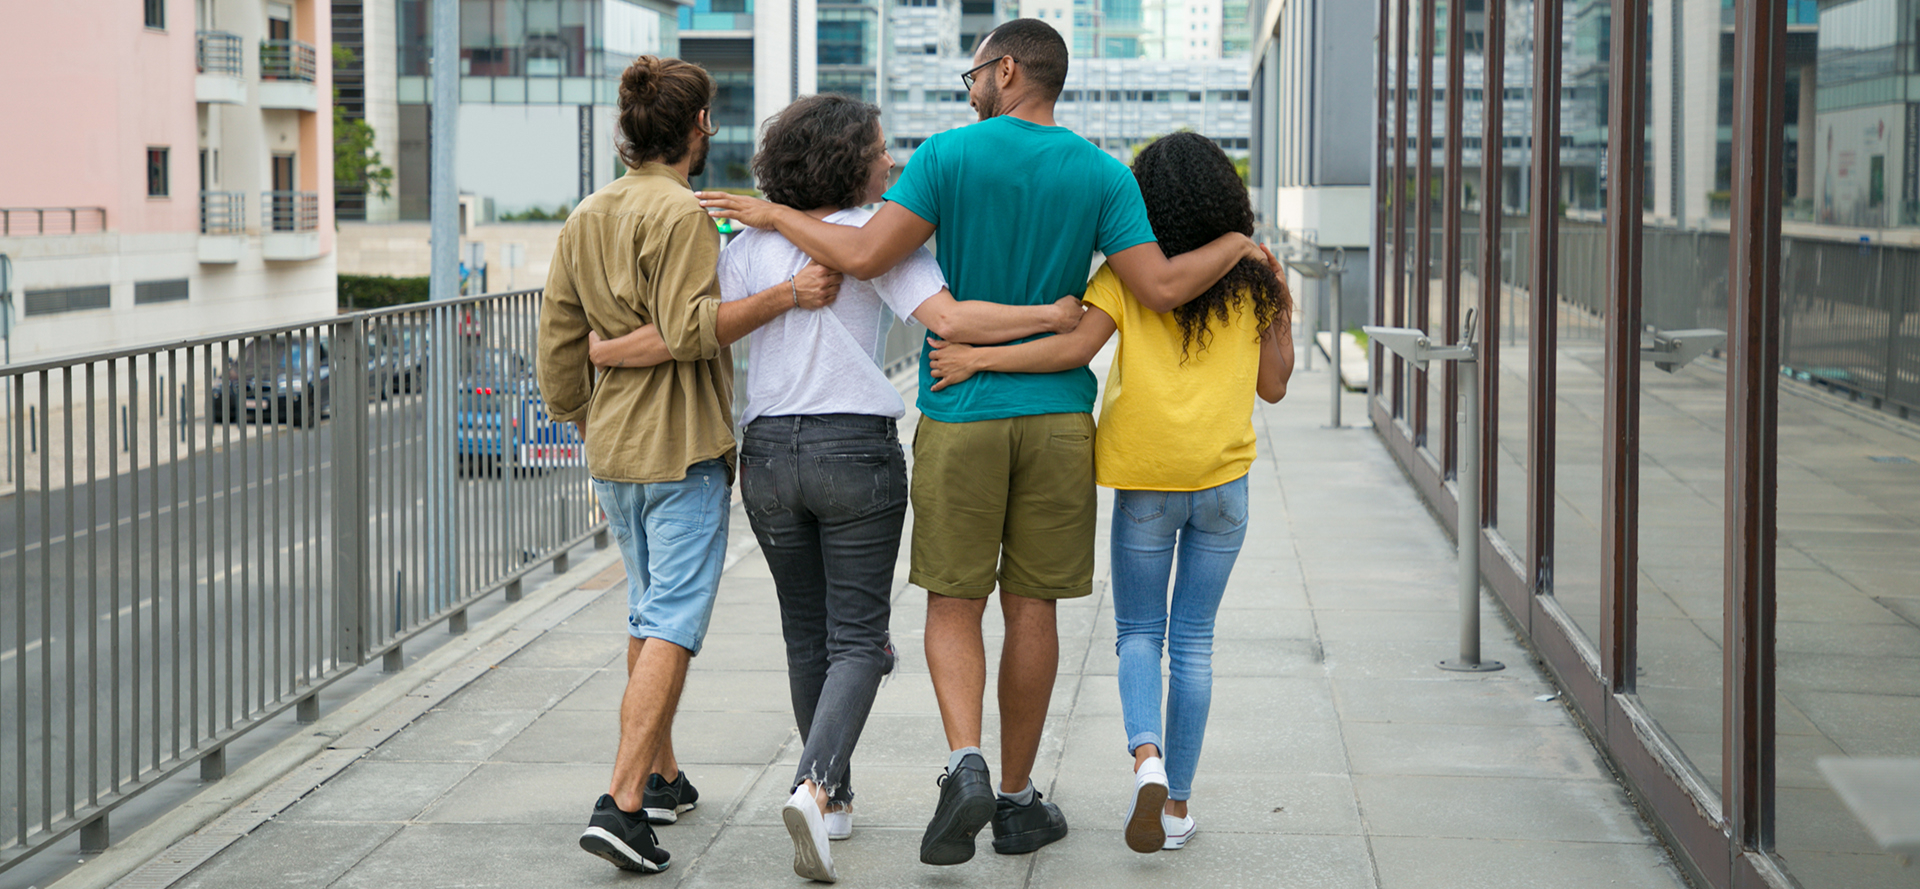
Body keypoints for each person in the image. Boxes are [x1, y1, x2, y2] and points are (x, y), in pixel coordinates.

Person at [697, 19, 1267, 867]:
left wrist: (772, 211)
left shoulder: (944, 159)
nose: (968, 88)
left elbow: (860, 252)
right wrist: (1236, 240)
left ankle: (964, 758)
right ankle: (1013, 795)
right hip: (1057, 421)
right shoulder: (1104, 175)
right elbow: (1158, 285)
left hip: (960, 410)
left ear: (1007, 69)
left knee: (953, 602)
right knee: (1033, 606)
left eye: (973, 74)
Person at [583, 93, 1084, 883]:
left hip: (770, 455)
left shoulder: (746, 239)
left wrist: (607, 349)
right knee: (860, 639)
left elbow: (697, 325)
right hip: (855, 452)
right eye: (880, 148)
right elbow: (950, 323)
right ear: (850, 159)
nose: (890, 161)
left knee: (805, 632)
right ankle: (814, 786)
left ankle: (836, 796)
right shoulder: (876, 238)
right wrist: (1052, 317)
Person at [925, 132, 1294, 854]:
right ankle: (1177, 803)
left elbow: (1067, 348)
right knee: (1193, 642)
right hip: (1223, 485)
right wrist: (1279, 299)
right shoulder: (1256, 280)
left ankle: (1145, 756)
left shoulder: (1127, 279)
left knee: (1138, 634)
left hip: (1147, 482)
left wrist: (976, 356)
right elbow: (1275, 385)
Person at [536, 55, 843, 875]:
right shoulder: (681, 215)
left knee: (646, 611)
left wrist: (584, 411)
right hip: (681, 448)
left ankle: (664, 776)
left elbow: (559, 346)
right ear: (697, 127)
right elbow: (688, 328)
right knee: (672, 619)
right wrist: (785, 296)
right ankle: (622, 801)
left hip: (616, 451)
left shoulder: (588, 212)